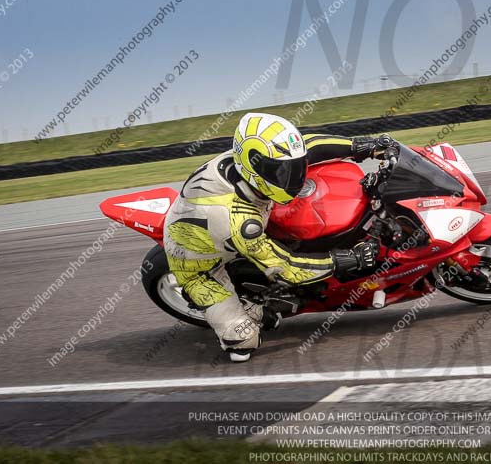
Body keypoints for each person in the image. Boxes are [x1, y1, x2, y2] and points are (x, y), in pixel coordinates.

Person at [163, 113, 391, 361]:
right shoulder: (238, 220)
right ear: (255, 165)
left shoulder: (254, 165)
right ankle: (238, 309)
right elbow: (286, 266)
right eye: (284, 171)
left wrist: (361, 146)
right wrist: (345, 259)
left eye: (294, 167)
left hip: (231, 221)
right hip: (198, 262)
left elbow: (310, 145)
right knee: (245, 340)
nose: (294, 176)